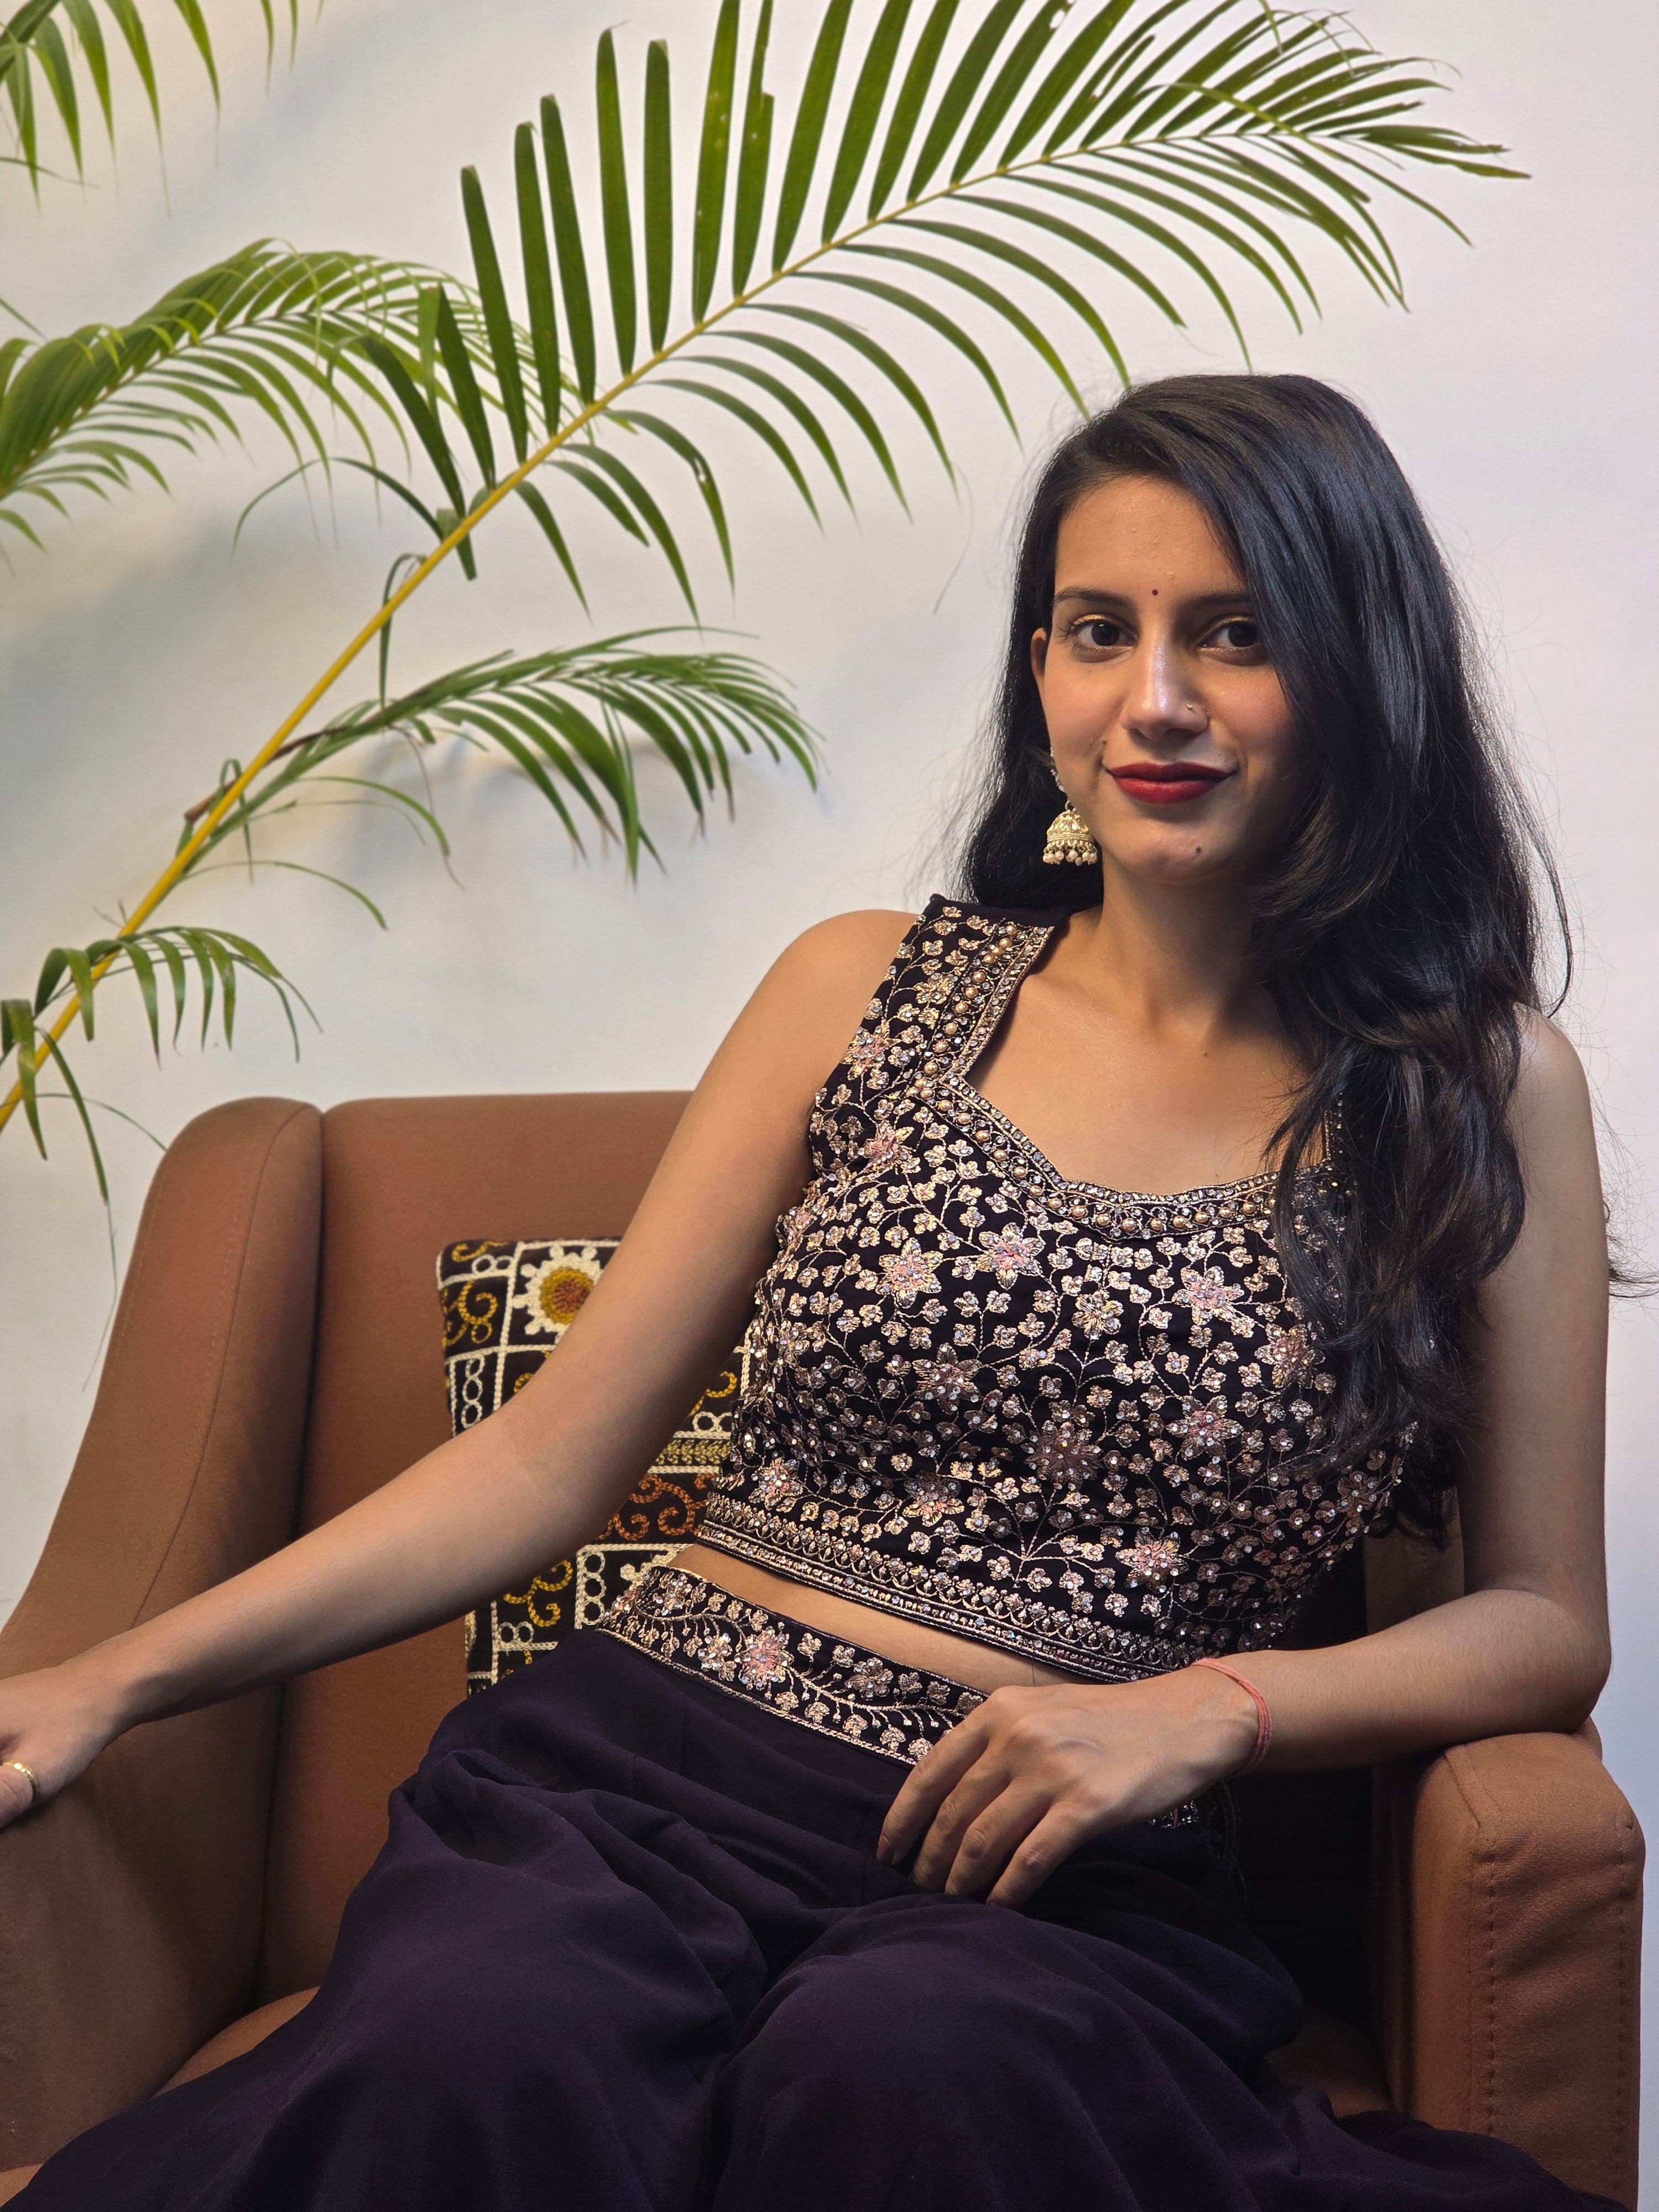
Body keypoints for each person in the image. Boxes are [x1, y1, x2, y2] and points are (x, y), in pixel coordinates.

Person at [0, 374, 1618, 2210]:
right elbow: (551, 1462)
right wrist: (114, 1676)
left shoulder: (1473, 1091)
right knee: (477, 2043)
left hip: (1042, 1861)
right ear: (1041, 672)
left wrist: (1213, 1709)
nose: (1156, 700)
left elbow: (1549, 1617)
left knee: (911, 2075)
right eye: (1102, 630)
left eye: (1235, 636)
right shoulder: (871, 985)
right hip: (639, 1783)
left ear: (1357, 668)